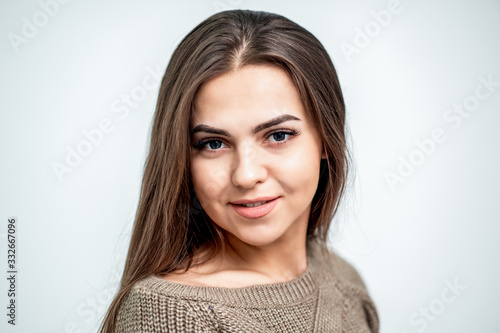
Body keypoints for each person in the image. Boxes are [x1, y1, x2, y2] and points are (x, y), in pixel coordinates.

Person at [99, 9, 379, 333]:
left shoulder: (345, 282)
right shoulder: (168, 313)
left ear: (327, 140)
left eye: (278, 136)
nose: (245, 175)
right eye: (213, 144)